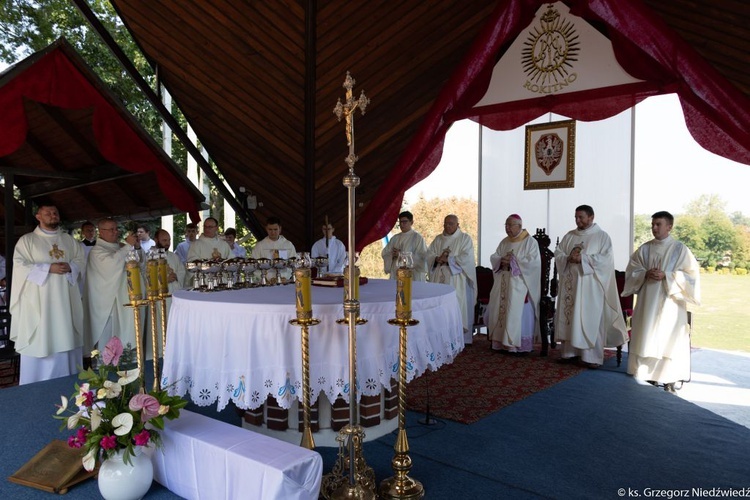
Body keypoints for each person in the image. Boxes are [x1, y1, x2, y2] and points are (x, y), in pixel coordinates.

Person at [621, 211, 700, 391]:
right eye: (653, 225)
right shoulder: (644, 249)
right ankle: (646, 373)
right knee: (647, 333)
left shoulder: (680, 250)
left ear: (669, 227)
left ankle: (669, 376)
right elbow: (632, 270)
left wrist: (668, 275)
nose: (654, 228)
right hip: (647, 300)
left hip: (670, 303)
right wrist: (644, 274)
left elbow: (691, 276)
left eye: (658, 224)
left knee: (666, 336)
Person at [9, 204, 85, 384]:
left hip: (65, 302)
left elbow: (80, 260)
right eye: (48, 213)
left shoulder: (69, 240)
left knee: (65, 334)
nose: (53, 215)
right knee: (41, 336)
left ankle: (68, 382)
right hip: (39, 302)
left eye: (55, 212)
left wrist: (71, 267)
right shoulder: (27, 241)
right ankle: (36, 385)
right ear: (38, 217)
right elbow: (19, 265)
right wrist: (48, 268)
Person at [554, 205, 629, 368]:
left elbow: (605, 260)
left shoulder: (602, 237)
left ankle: (591, 357)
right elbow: (558, 253)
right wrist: (567, 258)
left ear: (591, 217)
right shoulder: (569, 236)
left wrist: (583, 259)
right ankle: (569, 353)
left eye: (581, 217)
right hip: (571, 285)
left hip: (591, 288)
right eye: (576, 217)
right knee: (570, 316)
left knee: (590, 319)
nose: (577, 220)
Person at [83, 219, 142, 353]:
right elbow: (111, 265)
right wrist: (128, 246)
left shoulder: (121, 247)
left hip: (124, 298)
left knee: (127, 335)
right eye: (111, 230)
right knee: (108, 336)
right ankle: (105, 366)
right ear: (101, 232)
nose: (115, 232)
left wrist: (136, 247)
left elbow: (139, 263)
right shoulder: (97, 251)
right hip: (108, 303)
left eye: (116, 228)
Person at [486, 214, 542, 354]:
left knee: (514, 307)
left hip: (520, 284)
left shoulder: (530, 242)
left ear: (519, 226)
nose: (507, 228)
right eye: (506, 225)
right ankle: (500, 341)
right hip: (504, 281)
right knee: (497, 303)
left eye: (510, 225)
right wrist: (501, 259)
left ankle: (515, 344)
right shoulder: (504, 242)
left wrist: (513, 261)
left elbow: (533, 263)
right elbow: (495, 256)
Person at [427, 214, 477, 344]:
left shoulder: (464, 238)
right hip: (438, 278)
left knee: (455, 306)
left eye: (450, 224)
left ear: (457, 225)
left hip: (456, 280)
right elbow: (429, 254)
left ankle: (458, 339)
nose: (447, 226)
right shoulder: (438, 239)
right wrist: (436, 259)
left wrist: (448, 260)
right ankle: (439, 337)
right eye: (445, 224)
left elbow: (467, 258)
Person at [381, 211, 428, 281]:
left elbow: (422, 258)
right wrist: (392, 255)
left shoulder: (417, 238)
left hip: (412, 275)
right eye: (400, 222)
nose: (402, 224)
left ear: (411, 222)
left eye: (404, 222)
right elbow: (385, 253)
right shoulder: (395, 238)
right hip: (396, 273)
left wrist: (401, 254)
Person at [252, 216, 297, 281]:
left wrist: (286, 276)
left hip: (284, 280)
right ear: (266, 229)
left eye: (275, 229)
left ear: (280, 229)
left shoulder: (288, 245)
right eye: (270, 229)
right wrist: (265, 278)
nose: (273, 232)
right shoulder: (260, 246)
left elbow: (294, 263)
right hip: (266, 281)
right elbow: (255, 265)